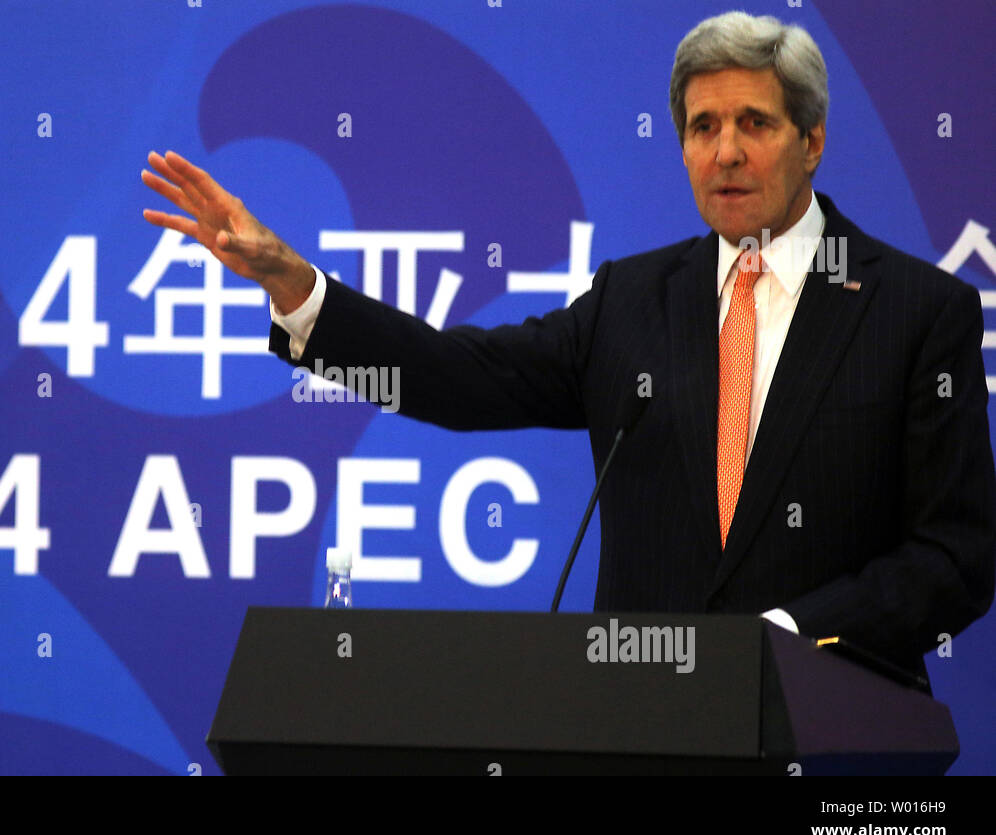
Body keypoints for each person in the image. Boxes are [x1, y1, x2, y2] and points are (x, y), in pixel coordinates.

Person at [141, 11, 994, 689]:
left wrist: (794, 637)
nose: (725, 151)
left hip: (837, 733)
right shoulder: (633, 300)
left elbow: (956, 557)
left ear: (811, 140)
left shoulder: (918, 310)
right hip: (639, 727)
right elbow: (459, 379)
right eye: (702, 127)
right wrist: (295, 285)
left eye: (754, 123)